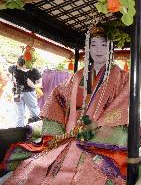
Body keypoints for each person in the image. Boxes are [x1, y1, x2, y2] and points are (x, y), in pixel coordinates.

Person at [1, 25, 130, 184]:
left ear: (110, 48)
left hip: (101, 135)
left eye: (103, 45)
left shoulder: (122, 77)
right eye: (94, 45)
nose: (98, 50)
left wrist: (96, 125)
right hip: (70, 131)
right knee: (36, 164)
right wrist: (64, 129)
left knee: (90, 172)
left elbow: (122, 107)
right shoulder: (78, 76)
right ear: (88, 48)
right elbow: (58, 95)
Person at [8, 57, 42, 127]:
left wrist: (33, 86)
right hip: (17, 92)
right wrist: (12, 80)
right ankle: (19, 129)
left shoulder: (34, 70)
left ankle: (35, 128)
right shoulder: (14, 67)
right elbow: (9, 72)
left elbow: (40, 83)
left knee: (34, 111)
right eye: (20, 66)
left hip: (29, 93)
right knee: (19, 113)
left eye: (23, 67)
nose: (22, 69)